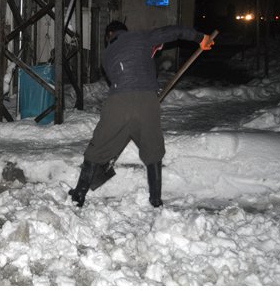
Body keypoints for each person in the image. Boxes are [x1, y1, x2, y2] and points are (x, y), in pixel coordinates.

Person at [68, 21, 214, 208]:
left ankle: (79, 194)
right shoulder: (142, 36)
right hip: (147, 101)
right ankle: (155, 200)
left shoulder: (106, 55)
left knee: (97, 149)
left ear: (109, 35)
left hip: (118, 103)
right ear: (125, 31)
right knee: (153, 150)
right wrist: (201, 38)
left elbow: (118, 76)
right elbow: (175, 31)